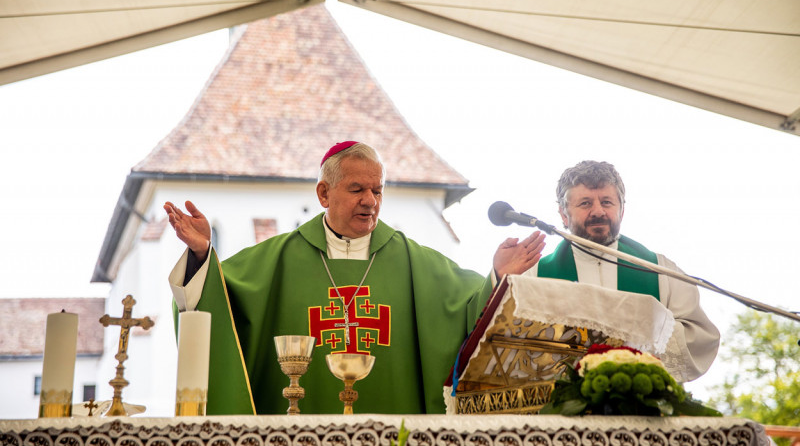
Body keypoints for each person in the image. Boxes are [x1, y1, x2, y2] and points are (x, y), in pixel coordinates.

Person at [165, 141, 545, 414]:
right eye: (357, 189)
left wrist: (496, 276)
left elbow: (468, 311)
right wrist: (201, 255)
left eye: (377, 190)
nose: (371, 201)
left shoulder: (414, 261)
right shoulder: (275, 259)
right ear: (324, 193)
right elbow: (218, 307)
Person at [531, 160, 719, 382]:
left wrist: (635, 340)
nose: (598, 211)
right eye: (585, 203)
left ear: (622, 210)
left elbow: (699, 337)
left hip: (639, 402)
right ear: (563, 214)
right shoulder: (535, 276)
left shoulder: (660, 271)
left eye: (607, 202)